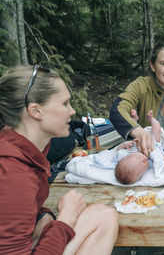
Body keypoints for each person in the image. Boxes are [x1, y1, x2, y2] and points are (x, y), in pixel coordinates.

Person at [0, 65, 119, 254]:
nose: (72, 111)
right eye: (65, 104)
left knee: (104, 215)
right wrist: (66, 219)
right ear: (36, 111)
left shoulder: (22, 151)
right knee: (104, 218)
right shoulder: (13, 176)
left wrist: (43, 217)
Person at [110, 42, 164, 166]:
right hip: (143, 156)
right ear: (153, 66)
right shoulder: (140, 86)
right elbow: (118, 109)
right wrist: (139, 132)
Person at [114, 110, 163, 185]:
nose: (144, 160)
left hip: (137, 139)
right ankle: (151, 119)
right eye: (144, 167)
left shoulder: (124, 155)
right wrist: (158, 171)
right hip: (153, 141)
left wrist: (125, 144)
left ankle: (134, 120)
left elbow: (119, 149)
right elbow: (159, 161)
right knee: (157, 128)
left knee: (132, 133)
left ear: (129, 156)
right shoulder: (151, 157)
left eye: (139, 159)